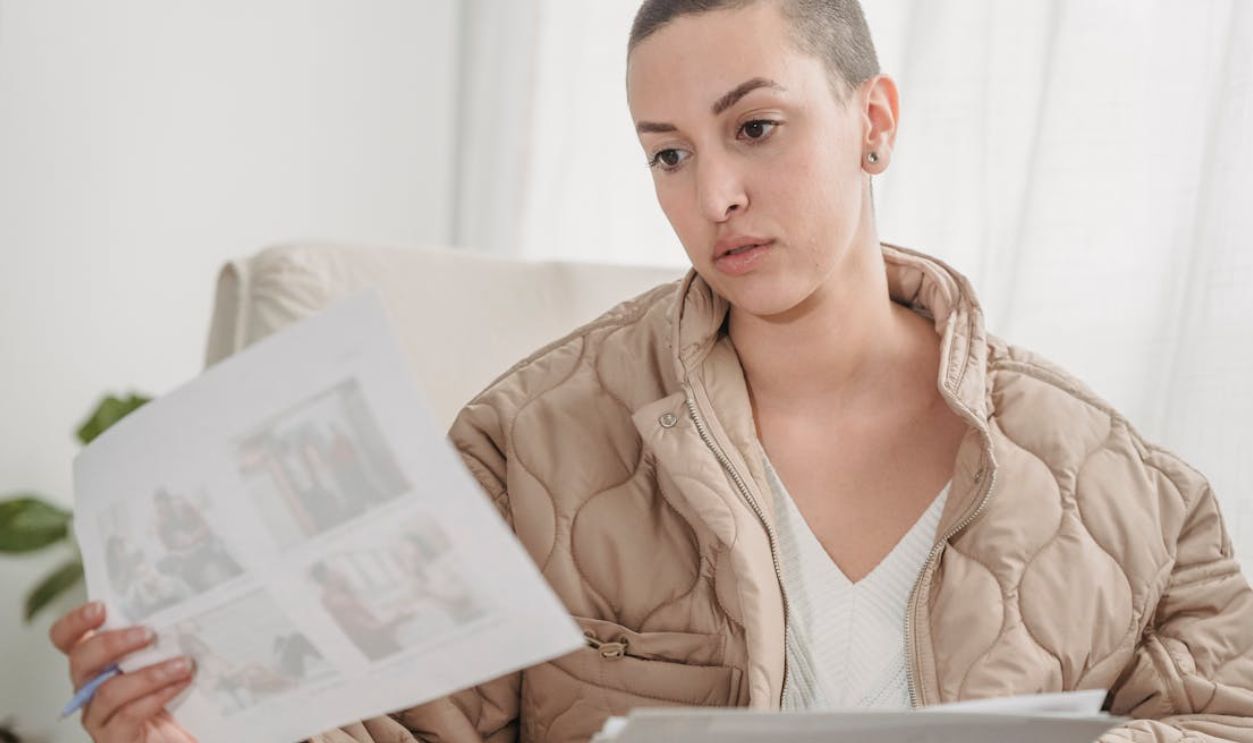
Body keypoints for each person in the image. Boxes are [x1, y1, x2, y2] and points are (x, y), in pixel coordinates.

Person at [49, 1, 1253, 741]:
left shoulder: (1127, 488)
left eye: (755, 128)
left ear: (873, 119)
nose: (711, 194)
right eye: (666, 153)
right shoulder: (528, 440)